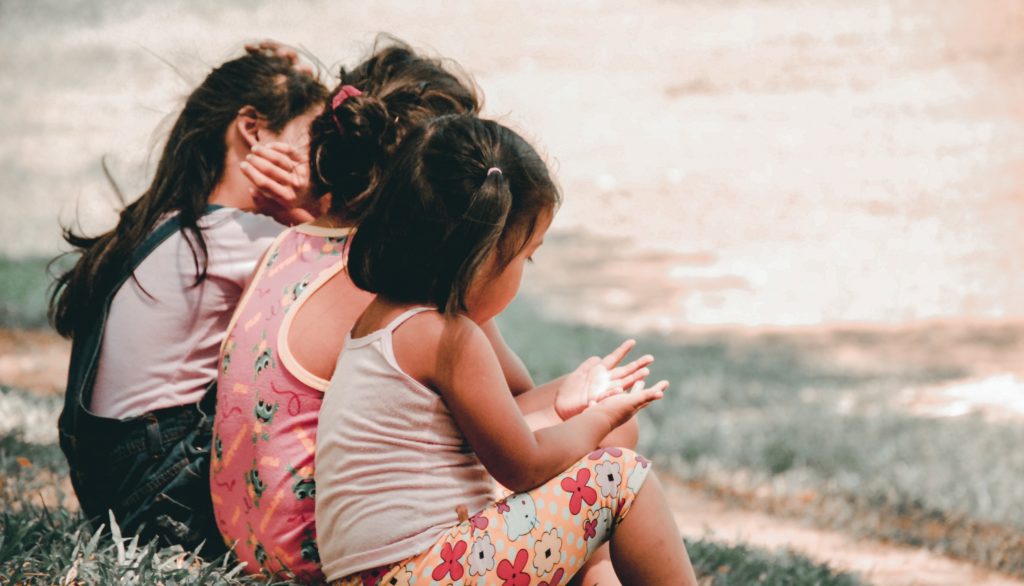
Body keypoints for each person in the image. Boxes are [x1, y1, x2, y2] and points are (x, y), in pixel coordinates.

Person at [216, 37, 654, 584]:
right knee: (614, 459)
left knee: (589, 456)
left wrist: (570, 402)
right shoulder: (422, 313)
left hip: (268, 537)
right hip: (336, 557)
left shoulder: (320, 257)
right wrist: (593, 417)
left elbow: (494, 405)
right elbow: (516, 446)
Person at [315, 114, 699, 585]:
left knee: (599, 456)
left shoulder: (381, 321)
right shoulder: (448, 338)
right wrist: (598, 419)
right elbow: (524, 465)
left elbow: (496, 436)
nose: (523, 270)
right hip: (424, 573)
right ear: (482, 256)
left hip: (390, 573)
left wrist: (567, 406)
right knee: (620, 475)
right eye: (525, 256)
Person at [48, 42, 328, 557]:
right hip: (164, 499)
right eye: (310, 139)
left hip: (116, 491)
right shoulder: (242, 237)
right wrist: (307, 213)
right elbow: (360, 287)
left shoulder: (165, 223)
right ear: (253, 129)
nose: (317, 163)